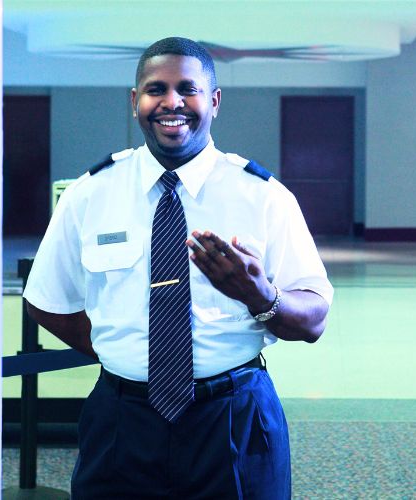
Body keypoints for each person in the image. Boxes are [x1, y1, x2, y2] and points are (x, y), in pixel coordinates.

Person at [23, 36, 333, 499]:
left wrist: (259, 295)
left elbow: (314, 319)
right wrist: (125, 351)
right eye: (156, 89)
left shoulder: (264, 197)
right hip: (121, 419)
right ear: (135, 102)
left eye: (188, 89)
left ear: (214, 101)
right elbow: (47, 302)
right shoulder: (89, 195)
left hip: (233, 415)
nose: (172, 102)